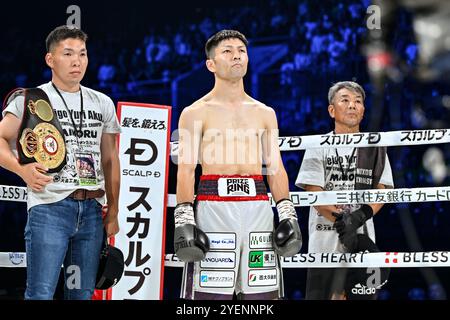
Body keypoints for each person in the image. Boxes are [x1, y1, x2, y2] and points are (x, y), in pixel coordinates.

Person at [173, 29, 302, 300]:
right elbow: (186, 169)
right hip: (213, 207)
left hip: (258, 206)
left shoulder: (265, 113)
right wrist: (183, 219)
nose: (236, 56)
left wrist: (288, 213)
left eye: (241, 51)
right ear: (211, 64)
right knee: (209, 296)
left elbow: (275, 166)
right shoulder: (195, 112)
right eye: (227, 51)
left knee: (262, 295)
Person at [0, 25, 121, 300]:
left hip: (92, 210)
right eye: (68, 54)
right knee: (40, 294)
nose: (77, 61)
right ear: (50, 59)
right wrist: (22, 170)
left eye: (82, 53)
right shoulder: (30, 99)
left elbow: (110, 159)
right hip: (49, 208)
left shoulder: (102, 102)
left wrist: (113, 209)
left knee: (81, 294)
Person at [295, 81, 394, 300]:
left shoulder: (374, 146)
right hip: (324, 243)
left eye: (358, 102)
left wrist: (359, 217)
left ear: (363, 110)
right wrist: (343, 222)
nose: (352, 106)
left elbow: (382, 190)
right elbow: (314, 193)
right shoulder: (317, 144)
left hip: (363, 241)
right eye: (345, 100)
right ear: (332, 110)